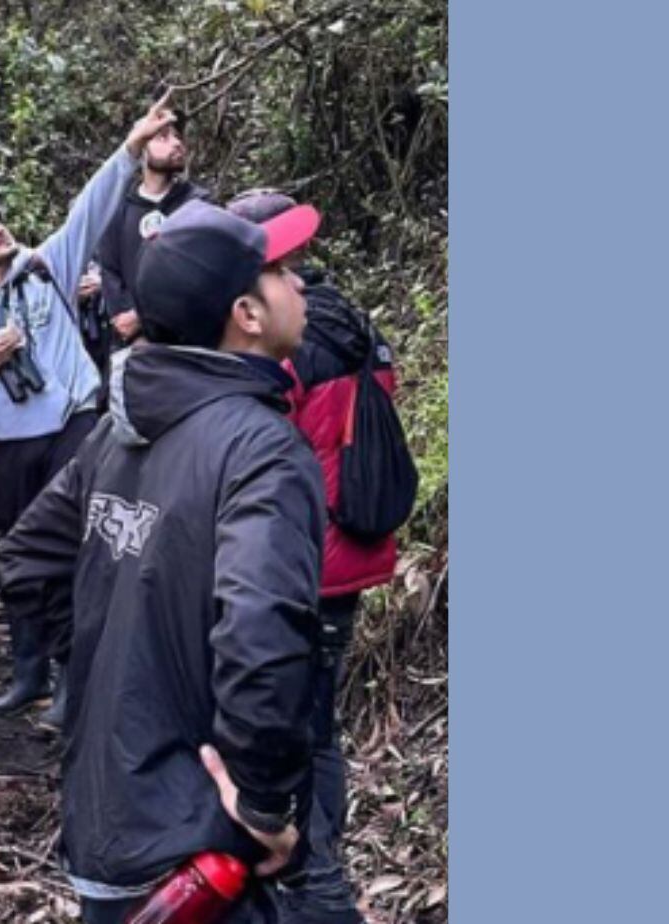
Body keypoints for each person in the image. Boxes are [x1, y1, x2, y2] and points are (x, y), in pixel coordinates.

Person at [0, 199, 326, 924]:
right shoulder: (262, 452)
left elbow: (24, 559)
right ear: (246, 313)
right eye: (281, 272)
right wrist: (262, 802)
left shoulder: (117, 434)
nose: (301, 284)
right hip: (196, 847)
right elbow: (261, 629)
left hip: (105, 812)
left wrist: (105, 667)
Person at [0, 96, 180, 720]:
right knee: (19, 554)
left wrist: (133, 143)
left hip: (71, 428)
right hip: (7, 443)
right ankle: (27, 670)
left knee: (76, 548)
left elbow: (91, 205)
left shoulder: (48, 266)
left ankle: (73, 675)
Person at [228, 190, 399, 924]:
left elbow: (271, 439)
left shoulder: (290, 342)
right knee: (320, 719)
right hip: (356, 546)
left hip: (305, 557)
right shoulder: (354, 323)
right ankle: (322, 862)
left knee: (295, 720)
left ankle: (316, 878)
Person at [93, 104, 211, 347]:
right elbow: (111, 272)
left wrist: (144, 318)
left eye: (177, 137)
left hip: (189, 342)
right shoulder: (118, 209)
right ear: (142, 150)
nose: (176, 143)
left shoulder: (198, 204)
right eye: (163, 137)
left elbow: (202, 275)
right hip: (136, 348)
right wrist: (130, 324)